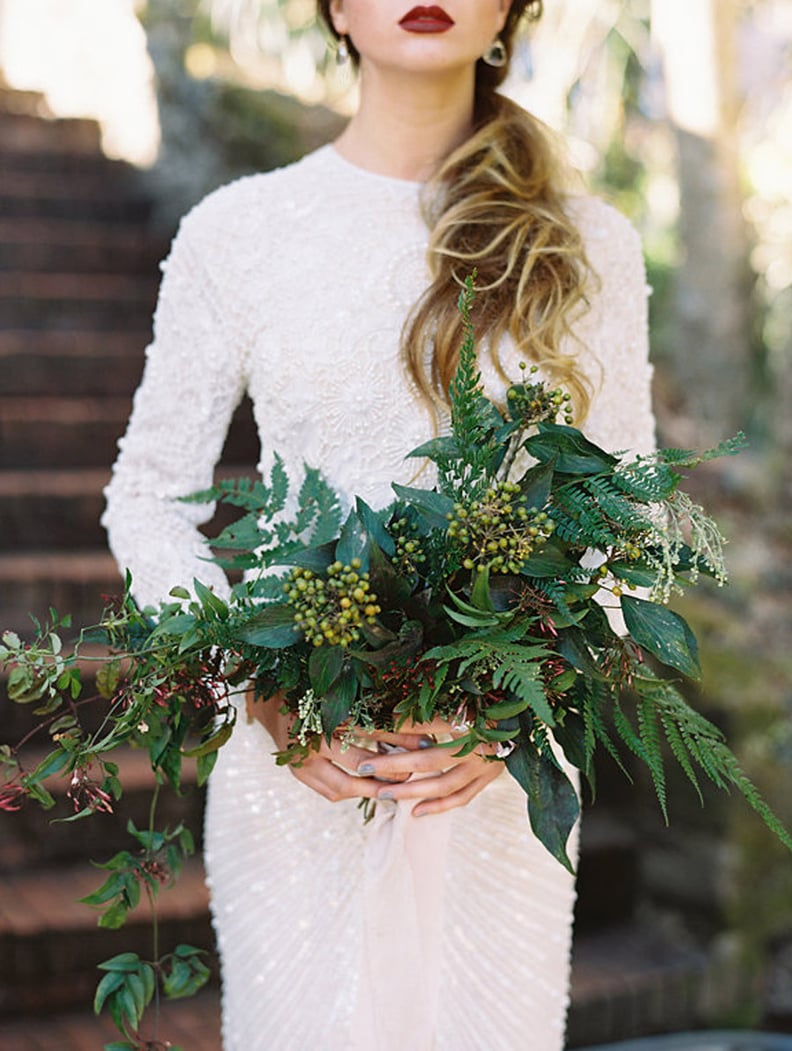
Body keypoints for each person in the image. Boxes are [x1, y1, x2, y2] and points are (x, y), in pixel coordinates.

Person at [102, 1, 655, 1048]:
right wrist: (245, 680)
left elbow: (628, 516)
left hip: (492, 781)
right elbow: (149, 494)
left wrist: (521, 699)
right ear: (337, 9)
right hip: (295, 772)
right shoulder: (240, 229)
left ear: (508, 13)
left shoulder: (591, 241)